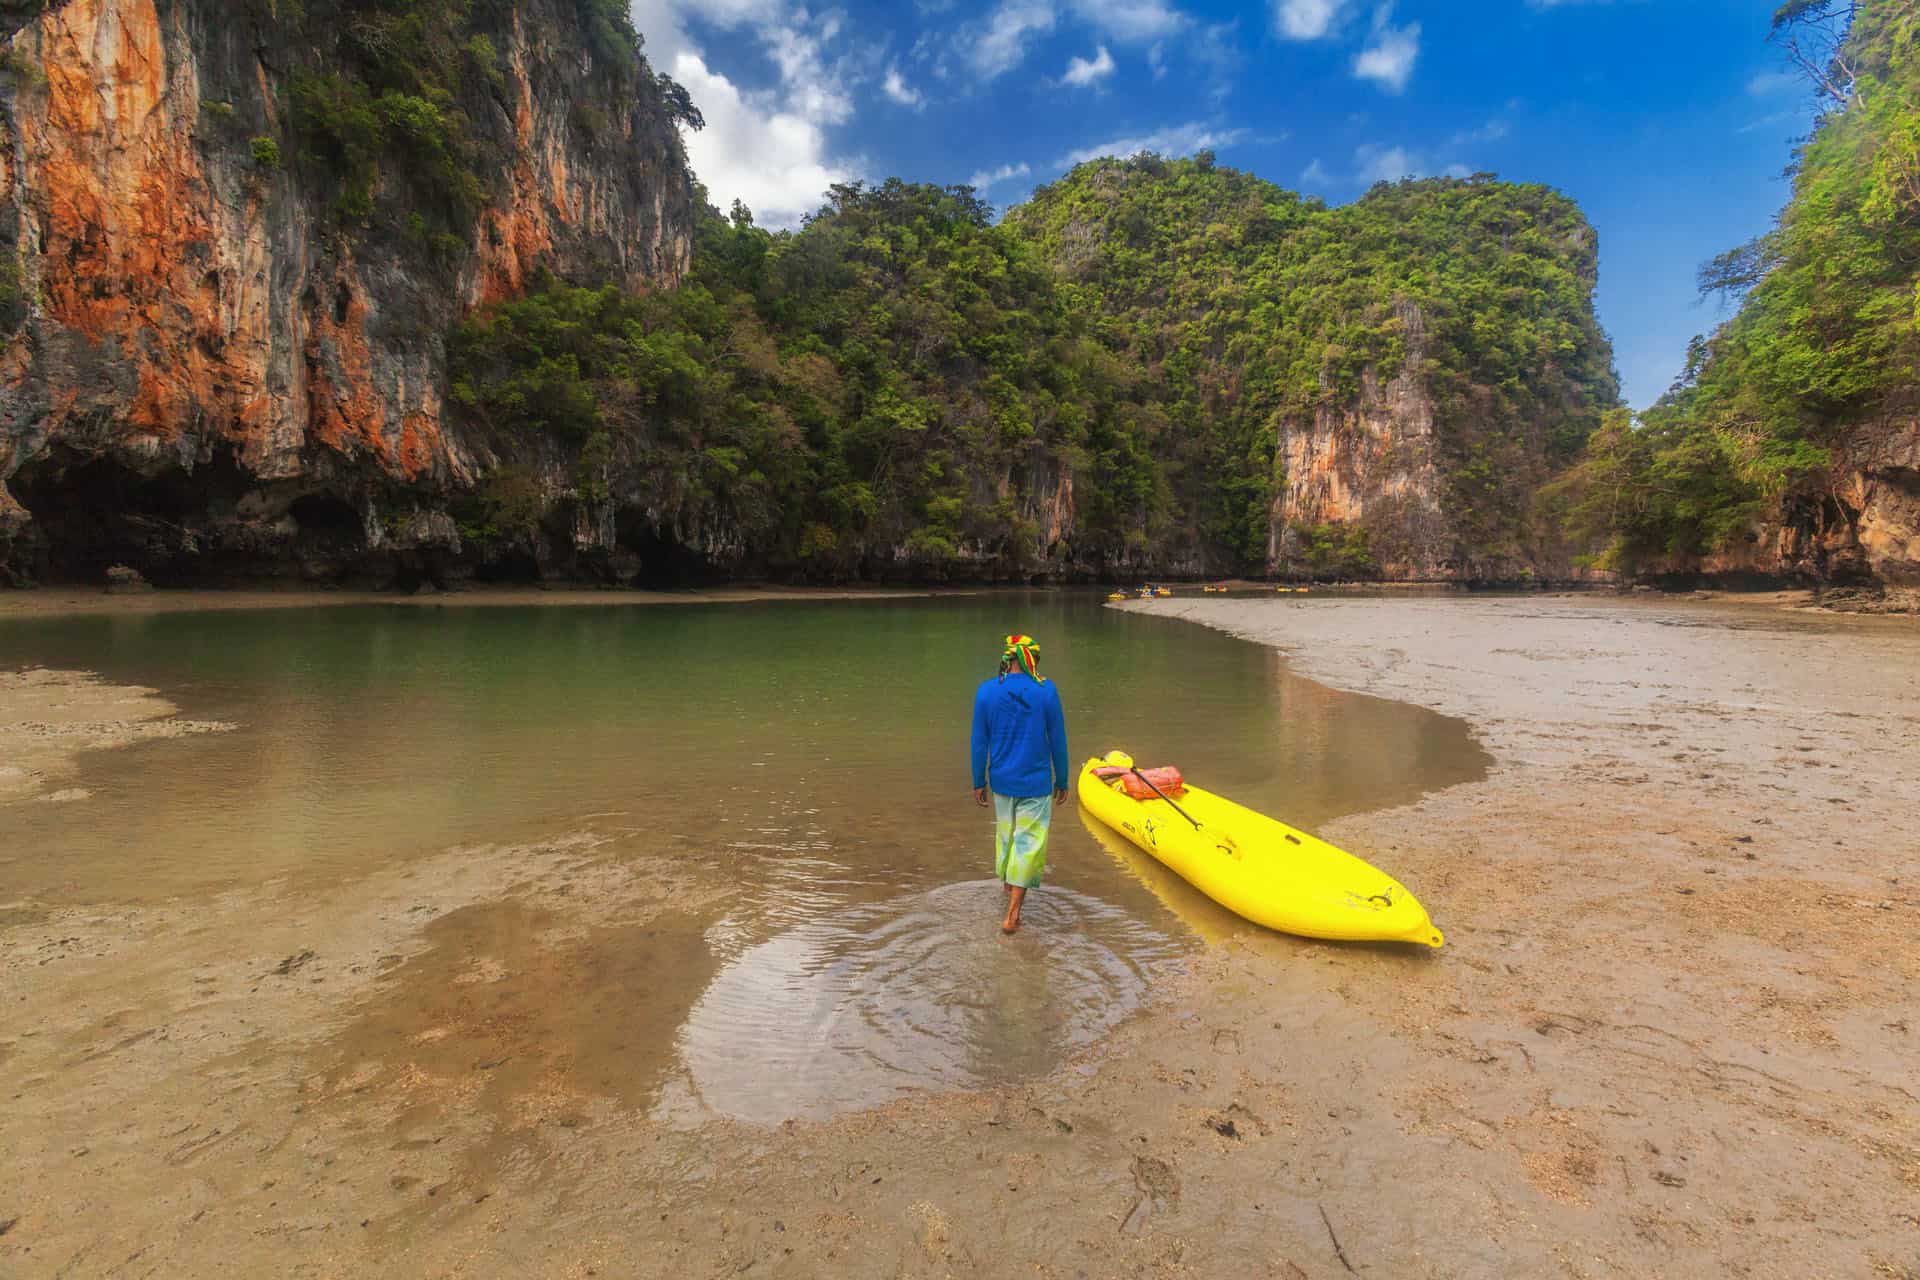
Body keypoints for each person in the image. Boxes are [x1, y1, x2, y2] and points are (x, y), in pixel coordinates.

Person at [970, 633, 1070, 934]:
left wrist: (978, 780)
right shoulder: (1046, 691)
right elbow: (1058, 739)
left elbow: (979, 741)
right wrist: (1062, 779)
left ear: (1008, 659)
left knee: (1006, 835)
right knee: (1029, 842)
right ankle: (1013, 914)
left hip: (1001, 780)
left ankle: (1007, 887)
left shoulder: (986, 692)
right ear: (1030, 660)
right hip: (1036, 782)